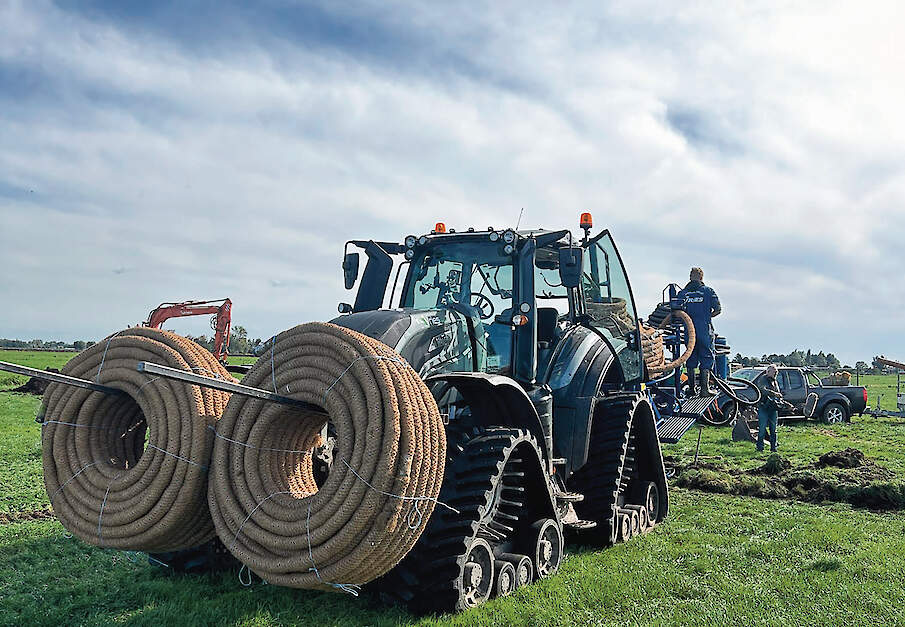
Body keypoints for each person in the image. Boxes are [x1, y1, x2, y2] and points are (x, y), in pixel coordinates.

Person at [678, 267, 721, 395]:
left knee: (690, 358)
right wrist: (706, 317)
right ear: (701, 277)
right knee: (707, 357)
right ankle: (704, 389)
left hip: (689, 332)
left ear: (690, 277)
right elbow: (718, 309)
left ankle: (691, 389)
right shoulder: (708, 292)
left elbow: (675, 311)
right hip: (704, 331)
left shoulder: (683, 294)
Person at [757, 365, 783, 452]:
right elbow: (762, 390)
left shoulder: (775, 382)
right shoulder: (762, 379)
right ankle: (760, 448)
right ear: (768, 371)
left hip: (772, 408)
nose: (776, 373)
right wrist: (774, 394)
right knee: (762, 429)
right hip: (763, 407)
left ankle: (773, 448)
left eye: (776, 371)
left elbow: (778, 393)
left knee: (773, 429)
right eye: (774, 371)